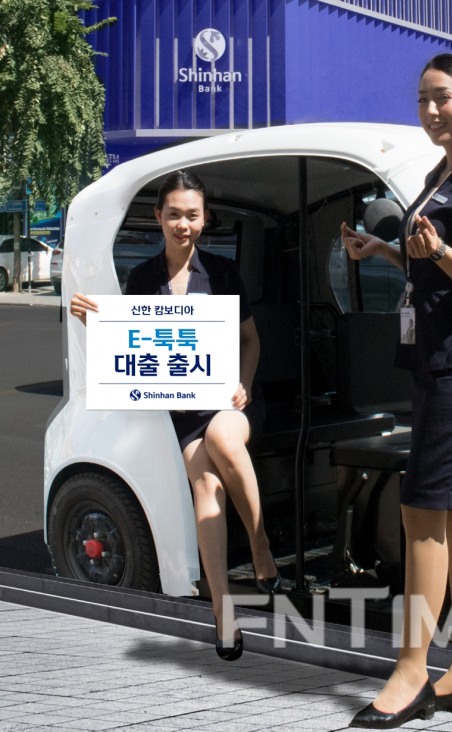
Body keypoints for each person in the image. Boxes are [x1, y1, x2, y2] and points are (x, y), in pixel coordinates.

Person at [341, 53, 452, 729]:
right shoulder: (440, 175)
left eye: (443, 97)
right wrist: (384, 251)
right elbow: (431, 264)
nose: (431, 109)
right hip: (439, 362)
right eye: (422, 98)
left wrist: (439, 252)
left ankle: (413, 672)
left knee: (420, 513)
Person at [69, 170, 279, 662]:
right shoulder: (143, 279)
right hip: (182, 415)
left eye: (192, 215)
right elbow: (132, 342)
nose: (183, 224)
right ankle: (223, 614)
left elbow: (251, 341)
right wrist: (94, 318)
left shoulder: (222, 273)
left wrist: (244, 383)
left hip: (229, 402)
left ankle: (260, 544)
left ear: (205, 220)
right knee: (204, 485)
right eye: (174, 215)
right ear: (158, 218)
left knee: (223, 440)